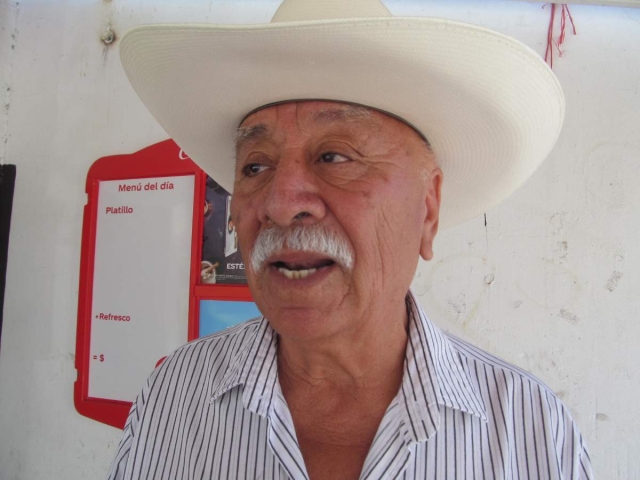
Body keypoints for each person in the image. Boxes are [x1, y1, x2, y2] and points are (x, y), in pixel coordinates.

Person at [109, 0, 593, 478]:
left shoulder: (531, 433)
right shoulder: (172, 398)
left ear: (427, 209)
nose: (280, 203)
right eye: (255, 166)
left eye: (335, 157)